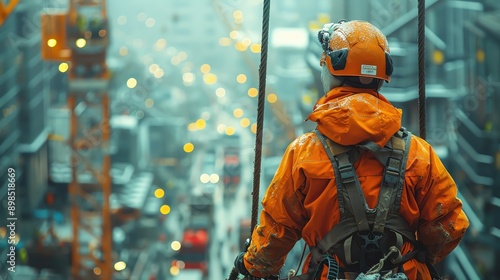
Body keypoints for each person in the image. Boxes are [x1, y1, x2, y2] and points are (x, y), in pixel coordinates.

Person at [233, 20, 469, 280]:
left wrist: (253, 267)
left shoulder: (304, 154)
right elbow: (450, 225)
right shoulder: (418, 153)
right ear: (382, 77)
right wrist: (411, 256)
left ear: (330, 70)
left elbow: (276, 232)